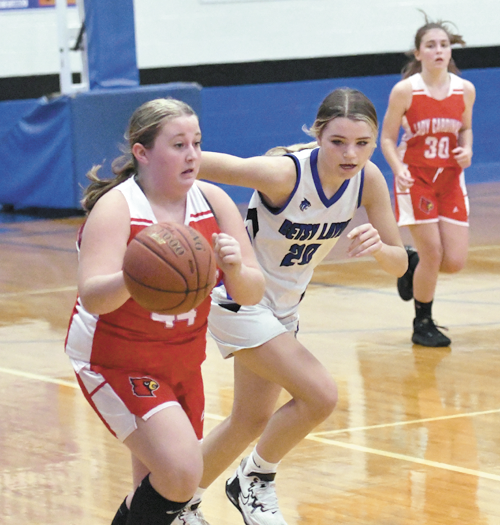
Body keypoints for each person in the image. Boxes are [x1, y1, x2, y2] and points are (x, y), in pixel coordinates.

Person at [171, 87, 407, 525]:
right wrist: (145, 165)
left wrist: (379, 248)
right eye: (338, 141)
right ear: (318, 135)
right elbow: (219, 165)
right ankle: (254, 479)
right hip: (238, 297)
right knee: (321, 395)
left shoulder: (369, 180)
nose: (350, 154)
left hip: (283, 310)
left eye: (362, 143)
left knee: (249, 420)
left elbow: (398, 263)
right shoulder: (286, 175)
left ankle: (177, 504)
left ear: (374, 143)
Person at [64, 98, 265, 525]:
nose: (192, 154)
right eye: (178, 144)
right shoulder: (118, 208)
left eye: (196, 142)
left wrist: (233, 268)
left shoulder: (213, 201)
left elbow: (251, 291)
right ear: (143, 152)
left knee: (159, 486)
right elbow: (94, 296)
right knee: (181, 473)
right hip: (115, 358)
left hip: (181, 359)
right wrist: (136, 274)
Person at [380, 15, 476, 347]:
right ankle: (423, 322)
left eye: (444, 45)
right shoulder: (405, 91)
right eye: (431, 45)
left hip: (450, 178)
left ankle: (412, 263)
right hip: (415, 177)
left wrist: (467, 149)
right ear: (418, 53)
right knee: (434, 252)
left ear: (451, 51)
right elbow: (388, 139)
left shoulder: (465, 90)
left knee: (454, 262)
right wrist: (398, 168)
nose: (439, 50)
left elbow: (465, 128)